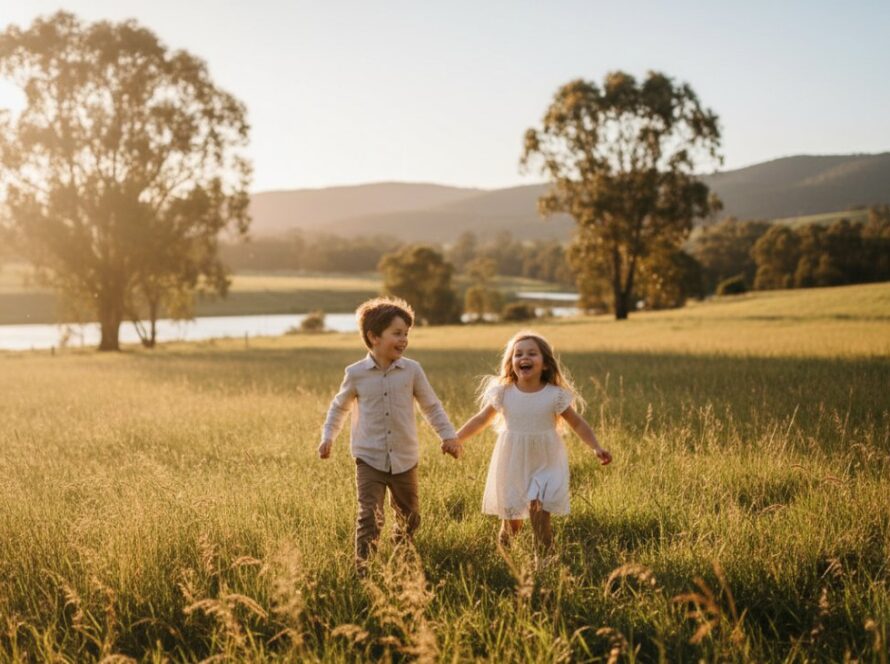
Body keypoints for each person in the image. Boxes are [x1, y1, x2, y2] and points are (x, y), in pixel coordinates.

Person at [319, 297, 460, 572]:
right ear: (374, 337)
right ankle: (363, 570)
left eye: (406, 334)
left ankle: (401, 557)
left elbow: (431, 406)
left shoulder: (412, 370)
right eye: (397, 333)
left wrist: (448, 436)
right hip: (368, 458)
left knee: (410, 518)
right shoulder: (356, 373)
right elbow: (339, 408)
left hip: (405, 458)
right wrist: (328, 437)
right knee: (370, 516)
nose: (404, 339)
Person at [443, 330, 611, 553]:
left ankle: (545, 559)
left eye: (532, 353)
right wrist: (456, 439)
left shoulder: (554, 395)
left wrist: (596, 447)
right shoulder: (504, 393)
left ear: (545, 364)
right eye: (518, 354)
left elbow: (578, 424)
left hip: (546, 461)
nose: (524, 357)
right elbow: (482, 419)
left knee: (539, 510)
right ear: (511, 362)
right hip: (512, 461)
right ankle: (505, 559)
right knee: (511, 523)